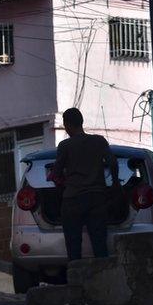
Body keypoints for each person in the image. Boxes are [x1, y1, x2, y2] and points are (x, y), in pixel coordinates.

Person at [52, 108, 119, 262]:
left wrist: (60, 187)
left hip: (72, 200)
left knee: (73, 245)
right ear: (81, 122)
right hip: (96, 199)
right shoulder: (99, 141)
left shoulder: (65, 146)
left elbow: (56, 173)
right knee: (99, 245)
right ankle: (103, 279)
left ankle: (77, 281)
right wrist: (115, 183)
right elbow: (113, 162)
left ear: (67, 124)